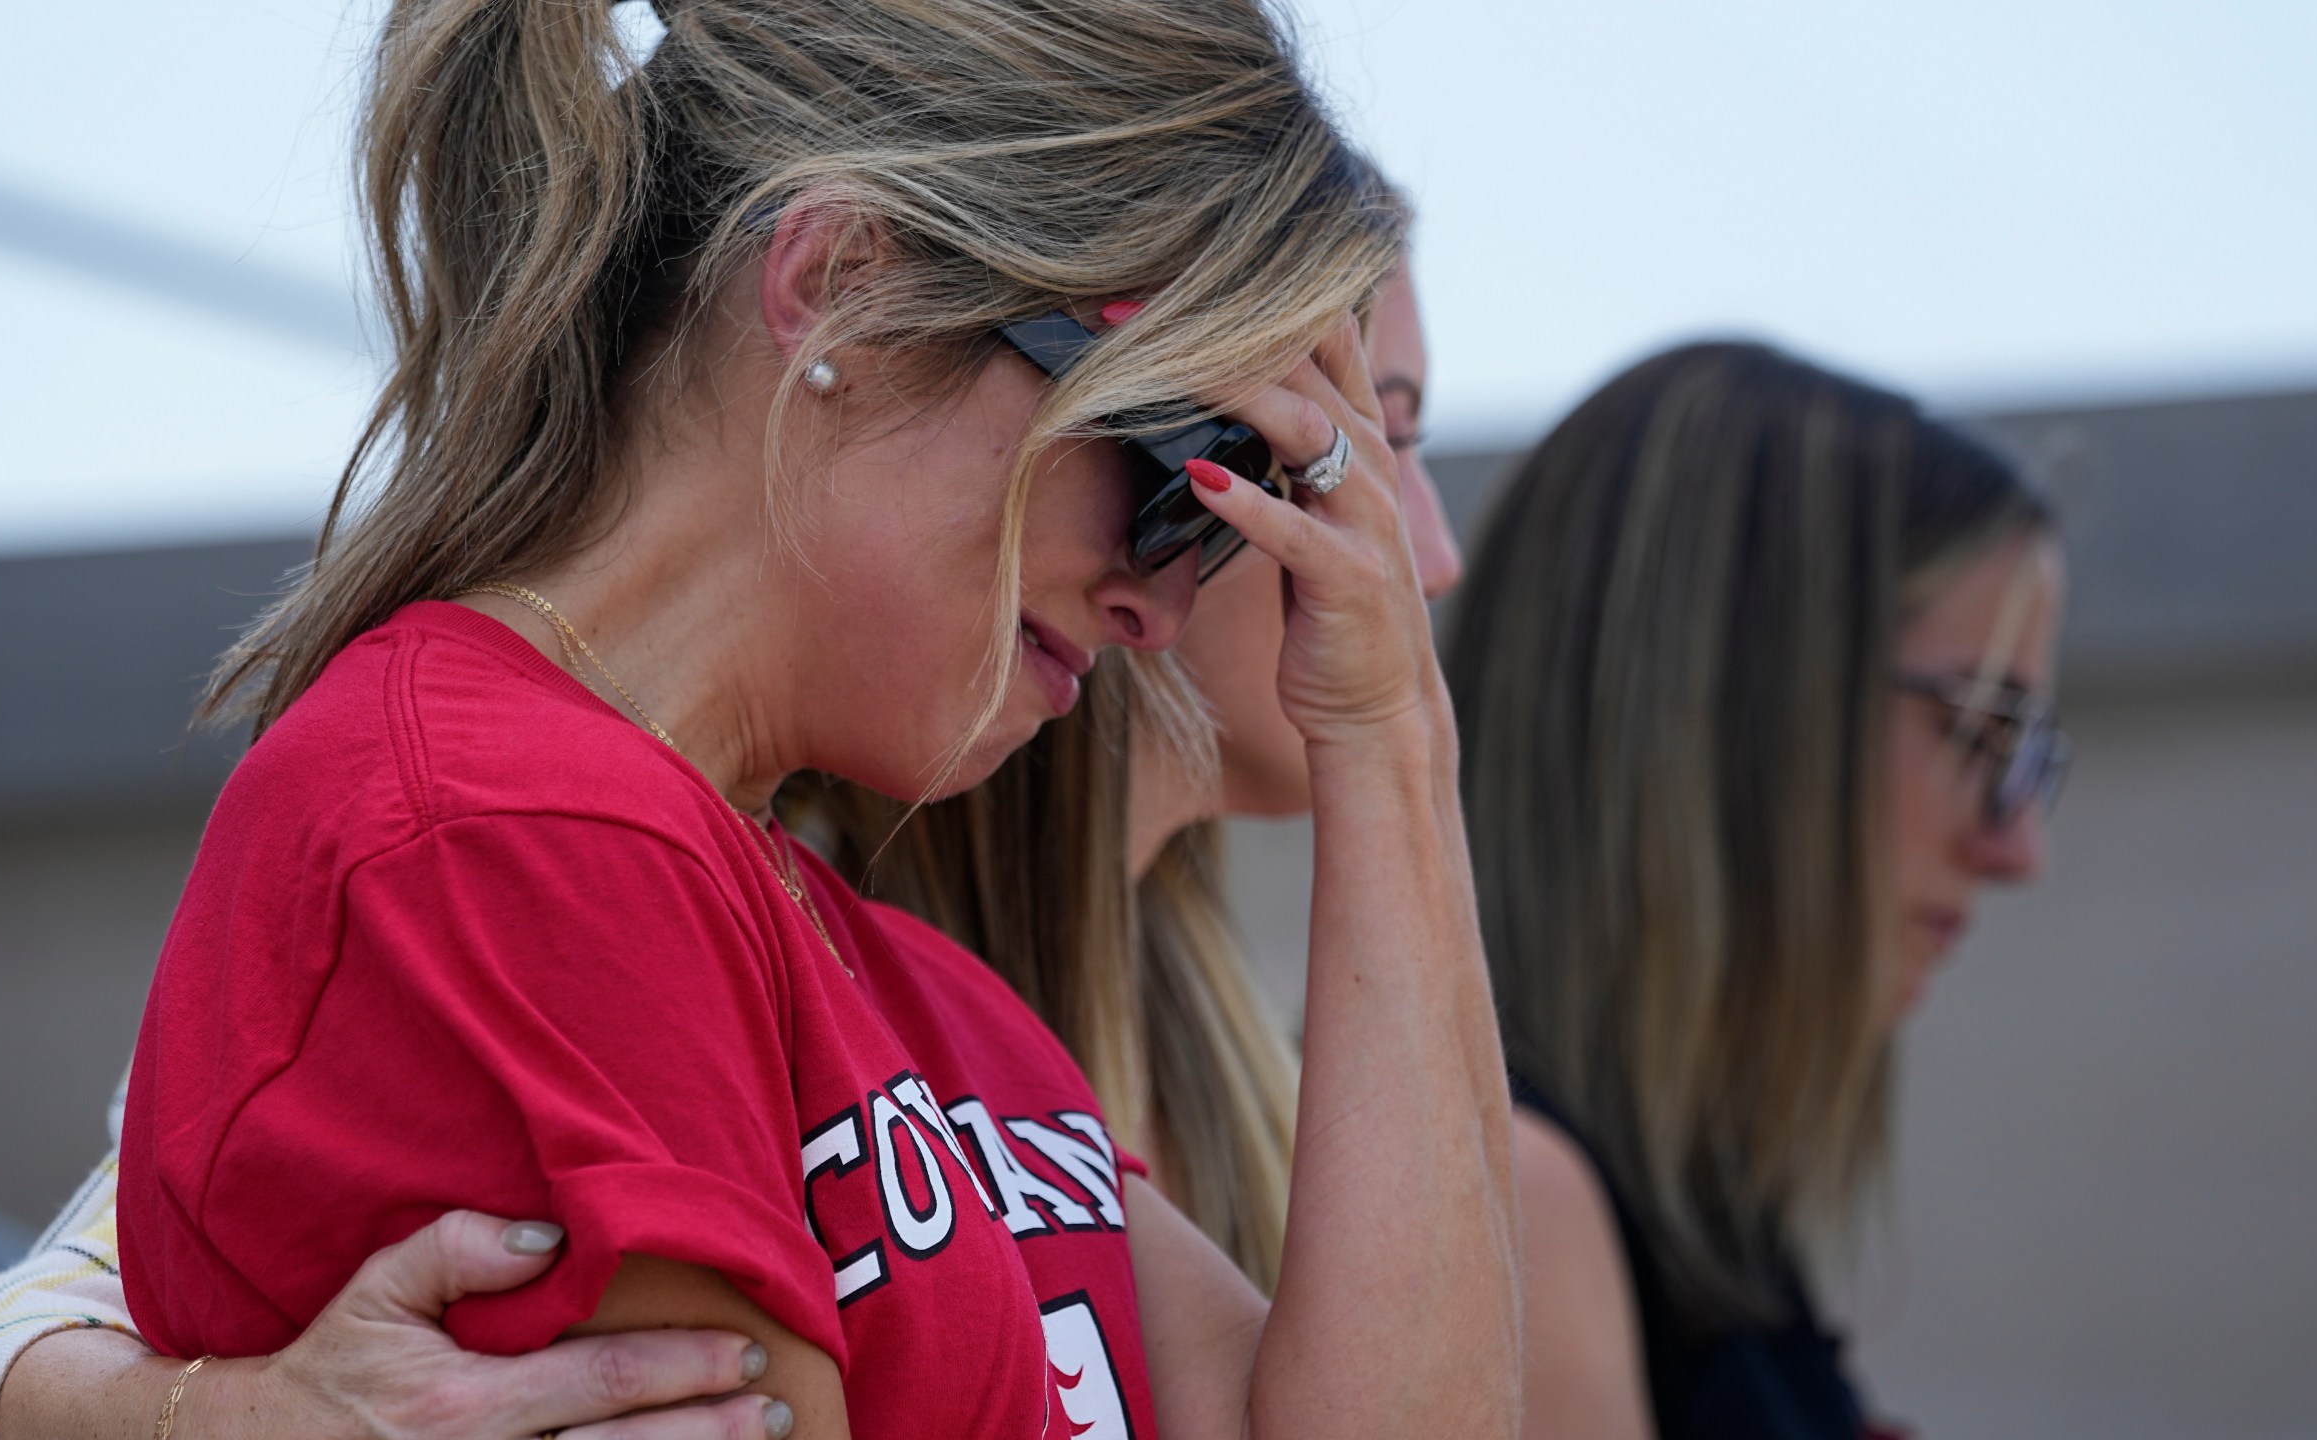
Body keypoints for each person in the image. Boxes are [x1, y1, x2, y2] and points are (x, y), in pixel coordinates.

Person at [107, 0, 1515, 1438]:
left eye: (1238, 513)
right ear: (842, 285)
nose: (1164, 603)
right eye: (1180, 469)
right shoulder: (508, 828)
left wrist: (1390, 742)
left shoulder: (923, 1000)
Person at [792, 255, 1460, 1293]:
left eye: (1396, 455)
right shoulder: (803, 994)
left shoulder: (1218, 1051)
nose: (1427, 551)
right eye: (1356, 450)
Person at [1444, 342, 2068, 1439]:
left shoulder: (1685, 1206)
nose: (2017, 846)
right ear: (1735, 714)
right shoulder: (1510, 1206)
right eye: (1979, 729)